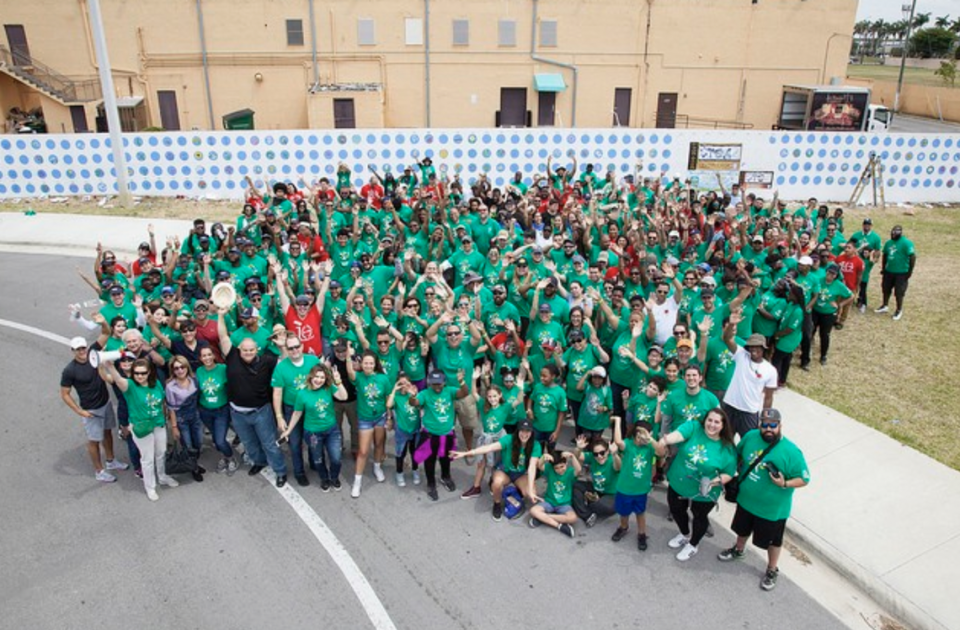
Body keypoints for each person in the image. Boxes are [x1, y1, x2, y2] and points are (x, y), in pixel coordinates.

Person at [717, 408, 810, 592]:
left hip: (772, 510)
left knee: (773, 542)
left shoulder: (791, 451)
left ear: (780, 426)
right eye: (765, 424)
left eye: (773, 425)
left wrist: (784, 483)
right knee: (741, 530)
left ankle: (772, 569)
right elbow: (738, 455)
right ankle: (738, 550)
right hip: (746, 501)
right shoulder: (751, 437)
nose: (768, 429)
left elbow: (804, 479)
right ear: (760, 424)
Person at [218, 312, 287, 488]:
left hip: (261, 412)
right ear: (239, 349)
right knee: (249, 443)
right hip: (238, 413)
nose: (248, 352)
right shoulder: (232, 356)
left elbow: (286, 363)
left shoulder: (267, 361)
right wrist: (220, 316)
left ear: (257, 349)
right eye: (244, 350)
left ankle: (280, 471)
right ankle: (259, 462)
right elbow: (223, 336)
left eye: (251, 350)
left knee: (270, 444)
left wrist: (282, 347)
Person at [659, 408, 737, 561]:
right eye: (709, 420)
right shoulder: (694, 427)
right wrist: (666, 440)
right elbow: (679, 434)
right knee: (676, 509)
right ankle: (684, 534)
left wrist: (713, 482)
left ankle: (693, 544)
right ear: (704, 420)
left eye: (716, 422)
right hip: (679, 480)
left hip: (705, 491)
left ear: (723, 425)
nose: (712, 425)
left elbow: (729, 473)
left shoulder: (727, 448)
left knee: (699, 516)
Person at [101, 358, 177, 501]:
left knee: (161, 453)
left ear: (149, 373)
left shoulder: (156, 384)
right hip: (142, 427)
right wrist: (110, 367)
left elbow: (162, 401)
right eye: (136, 373)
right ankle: (150, 487)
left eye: (143, 373)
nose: (140, 376)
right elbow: (118, 380)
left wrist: (166, 417)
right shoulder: (130, 386)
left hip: (158, 424)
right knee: (147, 459)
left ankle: (162, 476)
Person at [60, 336, 128, 483]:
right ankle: (99, 470)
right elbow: (65, 394)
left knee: (108, 432)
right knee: (94, 441)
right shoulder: (69, 370)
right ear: (73, 351)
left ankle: (111, 460)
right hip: (90, 410)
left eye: (83, 348)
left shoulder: (94, 356)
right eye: (78, 349)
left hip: (105, 403)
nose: (82, 351)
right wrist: (79, 411)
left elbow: (105, 334)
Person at [451, 418, 542, 522]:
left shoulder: (536, 445)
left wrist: (530, 488)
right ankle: (497, 504)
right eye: (522, 430)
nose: (524, 434)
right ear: (517, 431)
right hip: (505, 471)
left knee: (530, 494)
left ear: (531, 432)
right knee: (497, 483)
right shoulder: (509, 439)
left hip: (520, 474)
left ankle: (518, 490)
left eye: (527, 431)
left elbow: (531, 468)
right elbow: (489, 448)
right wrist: (466, 453)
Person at [279, 364, 349, 490]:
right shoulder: (302, 393)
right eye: (316, 376)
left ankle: (334, 477)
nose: (319, 380)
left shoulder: (328, 388)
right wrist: (288, 430)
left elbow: (344, 397)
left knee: (336, 459)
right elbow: (297, 413)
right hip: (313, 433)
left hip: (332, 430)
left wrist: (338, 381)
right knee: (318, 459)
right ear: (311, 377)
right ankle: (324, 479)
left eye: (322, 377)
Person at [409, 370, 469, 501]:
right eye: (434, 384)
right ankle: (431, 484)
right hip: (430, 434)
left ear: (444, 383)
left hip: (447, 433)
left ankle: (445, 476)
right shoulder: (424, 393)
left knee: (446, 458)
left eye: (439, 384)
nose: (437, 387)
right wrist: (412, 397)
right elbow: (414, 403)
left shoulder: (450, 391)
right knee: (429, 461)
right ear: (430, 383)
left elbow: (464, 393)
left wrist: (461, 382)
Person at [272, 332, 321, 487]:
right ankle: (299, 472)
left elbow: (323, 381)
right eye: (290, 348)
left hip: (310, 408)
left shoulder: (313, 361)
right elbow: (277, 392)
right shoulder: (281, 367)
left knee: (314, 438)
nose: (294, 350)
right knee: (294, 443)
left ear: (302, 346)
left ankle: (315, 462)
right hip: (291, 409)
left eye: (297, 346)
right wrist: (279, 416)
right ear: (287, 349)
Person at [345, 346, 391, 498]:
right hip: (365, 419)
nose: (368, 366)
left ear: (375, 364)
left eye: (371, 363)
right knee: (363, 451)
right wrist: (348, 355)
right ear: (361, 364)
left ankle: (377, 467)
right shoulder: (358, 377)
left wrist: (389, 417)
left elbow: (387, 398)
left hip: (380, 417)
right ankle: (357, 482)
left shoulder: (383, 378)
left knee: (378, 444)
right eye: (366, 363)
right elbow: (350, 372)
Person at [720, 322, 778, 438]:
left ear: (763, 348)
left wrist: (765, 417)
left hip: (749, 411)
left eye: (757, 346)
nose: (753, 349)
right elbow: (727, 338)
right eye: (751, 346)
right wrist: (731, 324)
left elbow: (768, 397)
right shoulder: (741, 355)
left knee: (748, 442)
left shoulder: (770, 370)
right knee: (724, 440)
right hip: (730, 406)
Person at [610, 417, 656, 551]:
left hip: (641, 490)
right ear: (636, 435)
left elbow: (661, 451)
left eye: (649, 436)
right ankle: (623, 527)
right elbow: (618, 441)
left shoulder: (650, 448)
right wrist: (618, 421)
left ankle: (642, 534)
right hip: (624, 488)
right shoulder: (629, 445)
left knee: (640, 513)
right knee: (623, 512)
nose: (646, 438)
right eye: (644, 436)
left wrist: (651, 440)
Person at [196, 345, 236, 474]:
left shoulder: (223, 368)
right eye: (204, 356)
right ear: (200, 358)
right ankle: (224, 457)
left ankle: (231, 458)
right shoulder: (199, 371)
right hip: (205, 410)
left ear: (213, 356)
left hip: (221, 410)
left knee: (220, 440)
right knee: (215, 439)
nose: (207, 358)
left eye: (209, 354)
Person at [164, 355, 205, 482]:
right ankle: (194, 469)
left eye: (182, 367)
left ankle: (194, 463)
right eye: (176, 368)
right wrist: (174, 427)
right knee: (188, 445)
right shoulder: (170, 386)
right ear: (173, 371)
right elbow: (171, 408)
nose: (180, 370)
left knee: (198, 442)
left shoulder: (194, 380)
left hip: (195, 416)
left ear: (187, 367)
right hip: (181, 419)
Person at [528, 450, 581, 538]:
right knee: (533, 510)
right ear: (552, 467)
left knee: (573, 518)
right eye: (556, 468)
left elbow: (578, 470)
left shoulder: (570, 472)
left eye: (562, 466)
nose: (560, 470)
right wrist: (543, 457)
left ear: (566, 463)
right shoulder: (549, 469)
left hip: (564, 504)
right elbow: (539, 465)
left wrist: (572, 456)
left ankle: (543, 518)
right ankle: (559, 526)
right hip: (549, 501)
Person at [571, 434, 620, 528]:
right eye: (595, 454)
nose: (599, 456)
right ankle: (587, 515)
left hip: (611, 494)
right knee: (575, 484)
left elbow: (618, 466)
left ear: (607, 451)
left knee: (601, 506)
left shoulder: (612, 460)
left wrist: (615, 454)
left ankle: (583, 504)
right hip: (596, 489)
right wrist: (578, 448)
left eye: (602, 453)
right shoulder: (592, 458)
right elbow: (578, 456)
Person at [811, 264, 854, 365]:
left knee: (824, 334)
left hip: (828, 313)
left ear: (836, 275)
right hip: (816, 310)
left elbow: (851, 295)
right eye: (829, 272)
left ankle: (823, 355)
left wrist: (840, 305)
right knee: (810, 331)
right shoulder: (819, 280)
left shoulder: (838, 285)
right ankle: (806, 351)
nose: (830, 275)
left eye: (833, 274)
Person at [386, 374, 422, 487]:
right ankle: (399, 472)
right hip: (402, 430)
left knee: (414, 452)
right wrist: (393, 390)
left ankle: (415, 470)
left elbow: (421, 407)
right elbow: (388, 404)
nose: (403, 386)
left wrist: (414, 395)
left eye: (406, 383)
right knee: (400, 453)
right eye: (400, 384)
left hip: (415, 429)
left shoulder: (415, 394)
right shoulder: (396, 396)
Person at [876, 225, 916, 321]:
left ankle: (899, 309)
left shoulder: (906, 243)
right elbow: (885, 255)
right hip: (889, 271)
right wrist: (884, 267)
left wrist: (910, 271)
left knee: (899, 292)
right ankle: (885, 305)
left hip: (901, 272)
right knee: (885, 288)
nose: (893, 235)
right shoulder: (888, 243)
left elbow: (912, 257)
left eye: (895, 234)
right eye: (892, 233)